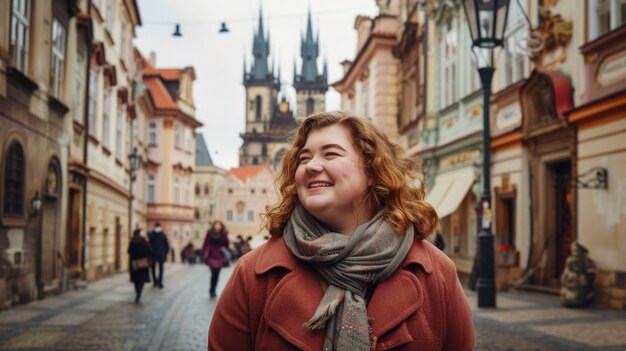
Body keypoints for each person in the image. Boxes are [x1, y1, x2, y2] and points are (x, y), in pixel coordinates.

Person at [208, 112, 474, 350]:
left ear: (372, 169)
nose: (311, 166)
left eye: (330, 153)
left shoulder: (436, 274)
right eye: (304, 158)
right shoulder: (254, 275)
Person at [201, 220, 230, 298]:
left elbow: (227, 244)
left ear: (221, 226)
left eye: (219, 225)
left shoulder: (223, 234)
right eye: (216, 225)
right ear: (214, 226)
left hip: (220, 255)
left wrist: (225, 235)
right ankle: (212, 289)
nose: (217, 226)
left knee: (217, 274)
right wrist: (203, 254)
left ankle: (213, 290)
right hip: (211, 254)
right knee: (213, 273)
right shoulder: (209, 233)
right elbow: (205, 243)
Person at [127, 225, 152, 304]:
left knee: (136, 280)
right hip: (143, 263)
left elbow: (129, 252)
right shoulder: (145, 242)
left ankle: (137, 292)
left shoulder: (132, 242)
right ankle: (139, 295)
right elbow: (150, 251)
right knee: (142, 280)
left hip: (134, 263)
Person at [148, 222, 169, 288]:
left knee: (153, 269)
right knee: (160, 269)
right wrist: (165, 253)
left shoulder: (151, 235)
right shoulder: (163, 235)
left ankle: (155, 282)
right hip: (160, 254)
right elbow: (167, 246)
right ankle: (159, 282)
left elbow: (149, 244)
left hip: (153, 254)